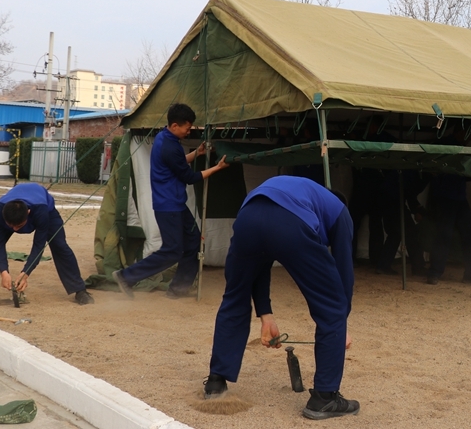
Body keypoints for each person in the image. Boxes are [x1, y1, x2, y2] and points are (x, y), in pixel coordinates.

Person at [204, 175, 358, 420]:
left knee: (235, 296)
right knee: (331, 306)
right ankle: (325, 398)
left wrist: (266, 316)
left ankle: (215, 383)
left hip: (248, 216)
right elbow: (343, 271)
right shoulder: (340, 212)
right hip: (289, 222)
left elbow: (261, 261)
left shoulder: (302, 191)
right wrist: (341, 319)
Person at [113, 103, 229, 298]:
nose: (188, 131)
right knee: (172, 250)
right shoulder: (168, 145)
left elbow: (178, 162)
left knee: (193, 241)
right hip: (168, 206)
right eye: (187, 127)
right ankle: (127, 277)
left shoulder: (165, 138)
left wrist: (196, 153)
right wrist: (218, 168)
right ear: (175, 125)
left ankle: (179, 288)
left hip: (175, 204)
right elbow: (190, 178)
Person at [0, 183, 94, 306]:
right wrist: (3, 271)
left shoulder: (40, 212)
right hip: (14, 211)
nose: (15, 230)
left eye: (19, 226)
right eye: (11, 226)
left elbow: (39, 245)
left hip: (46, 209)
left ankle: (80, 291)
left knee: (60, 246)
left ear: (28, 213)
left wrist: (26, 272)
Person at [426, 173, 471, 285]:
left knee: (470, 235)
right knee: (444, 235)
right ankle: (434, 273)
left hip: (460, 198)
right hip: (445, 198)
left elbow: (463, 175)